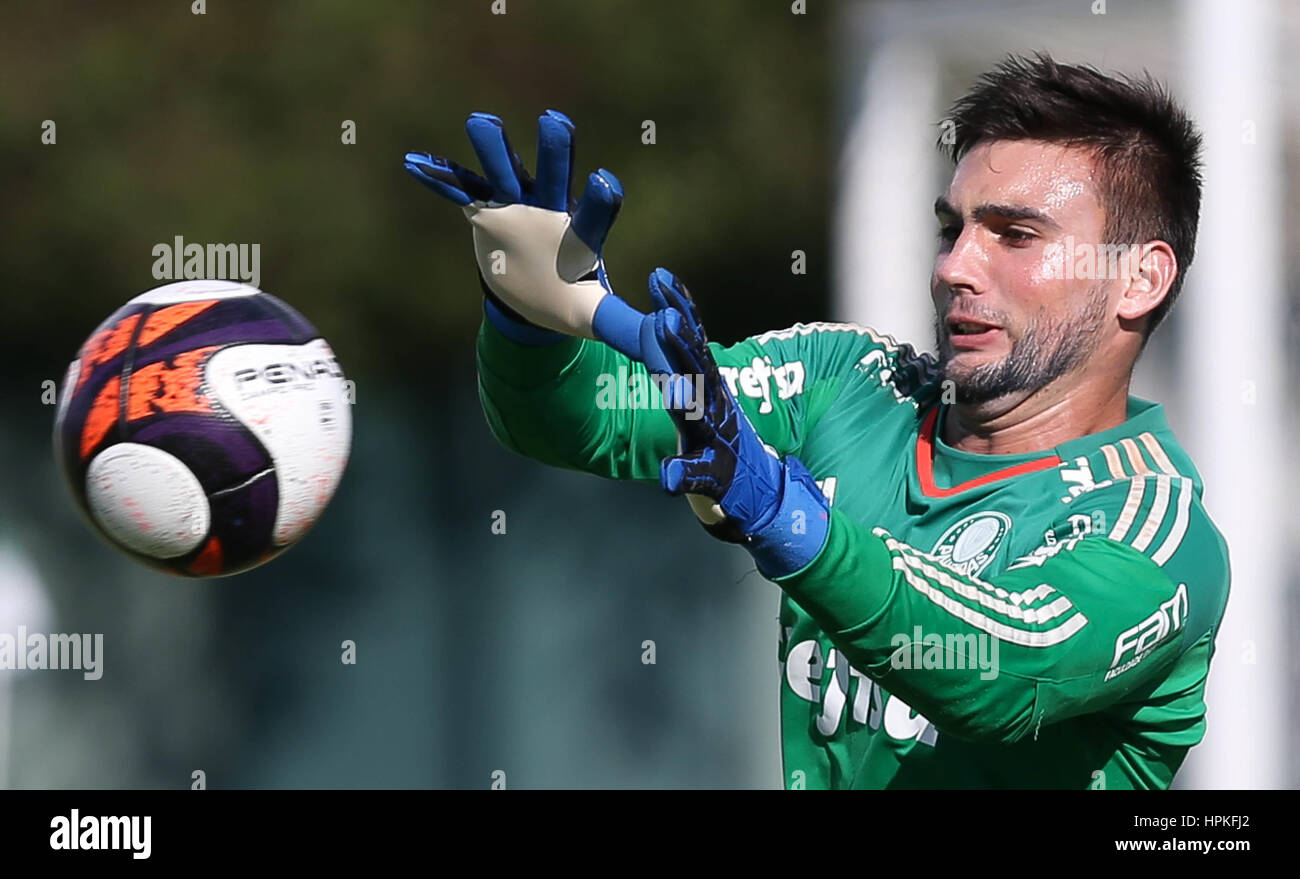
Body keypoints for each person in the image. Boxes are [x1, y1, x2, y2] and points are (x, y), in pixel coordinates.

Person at [404, 52, 1229, 789]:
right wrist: (532, 316)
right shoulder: (847, 382)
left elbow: (1001, 672)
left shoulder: (1152, 529)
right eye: (952, 229)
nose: (953, 267)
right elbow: (579, 417)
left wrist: (788, 517)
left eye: (1014, 234)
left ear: (1139, 280)